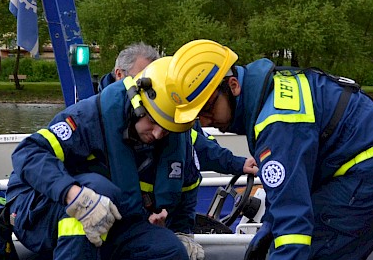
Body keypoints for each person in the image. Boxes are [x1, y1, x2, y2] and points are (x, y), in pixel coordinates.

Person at [192, 41, 373, 260]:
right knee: (323, 254)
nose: (206, 121)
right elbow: (292, 188)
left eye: (208, 109)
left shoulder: (276, 123)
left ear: (233, 86)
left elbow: (294, 213)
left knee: (314, 255)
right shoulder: (270, 95)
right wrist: (269, 230)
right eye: (197, 116)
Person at [6, 45, 228, 260]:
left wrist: (182, 232)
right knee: (99, 192)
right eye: (153, 123)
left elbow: (188, 186)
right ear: (136, 105)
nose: (157, 134)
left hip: (112, 218)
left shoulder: (174, 137)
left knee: (171, 253)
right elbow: (28, 154)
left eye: (166, 129)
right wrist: (73, 194)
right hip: (40, 210)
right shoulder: (88, 117)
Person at [100, 42, 257, 177]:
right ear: (119, 75)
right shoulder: (97, 116)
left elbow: (197, 144)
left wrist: (238, 164)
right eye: (140, 80)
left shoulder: (172, 112)